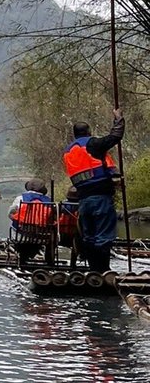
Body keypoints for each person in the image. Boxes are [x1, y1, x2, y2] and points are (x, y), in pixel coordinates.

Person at [62, 106, 125, 272]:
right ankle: (103, 270)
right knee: (103, 235)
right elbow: (115, 136)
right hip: (100, 198)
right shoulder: (93, 144)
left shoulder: (68, 151)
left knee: (89, 236)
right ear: (88, 132)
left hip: (83, 200)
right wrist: (118, 118)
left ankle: (94, 269)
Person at [8, 178, 56, 266]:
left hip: (22, 235)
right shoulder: (49, 200)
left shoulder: (20, 198)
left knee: (15, 226)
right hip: (43, 236)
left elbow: (10, 214)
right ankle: (48, 261)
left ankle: (22, 259)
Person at [59, 186, 81, 268]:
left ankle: (50, 262)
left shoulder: (62, 205)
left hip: (61, 235)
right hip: (76, 236)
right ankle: (73, 264)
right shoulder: (81, 206)